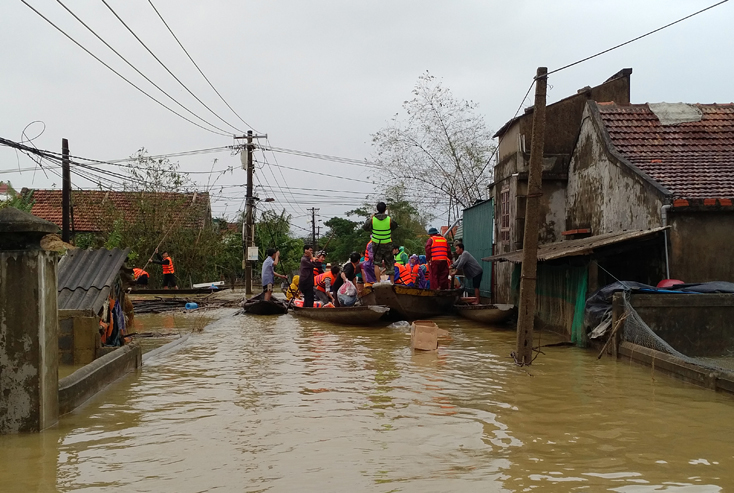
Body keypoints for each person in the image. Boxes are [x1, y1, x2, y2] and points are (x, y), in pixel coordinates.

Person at [362, 201, 398, 282]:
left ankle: (378, 282)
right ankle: (392, 283)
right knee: (390, 263)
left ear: (377, 209)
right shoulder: (389, 219)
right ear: (385, 209)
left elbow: (365, 227)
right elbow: (395, 226)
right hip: (387, 243)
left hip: (376, 243)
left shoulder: (373, 220)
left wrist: (371, 218)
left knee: (376, 263)